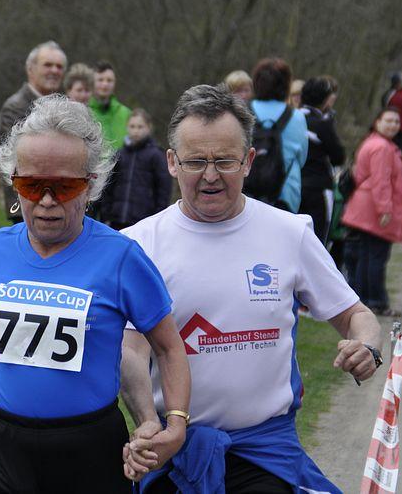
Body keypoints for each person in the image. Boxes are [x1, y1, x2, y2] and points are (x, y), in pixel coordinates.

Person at [119, 84, 383, 493]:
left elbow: (356, 315)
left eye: (225, 161)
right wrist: (149, 424)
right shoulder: (138, 244)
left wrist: (366, 346)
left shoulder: (289, 232)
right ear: (172, 162)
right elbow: (131, 351)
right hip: (176, 452)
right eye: (196, 162)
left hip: (265, 453)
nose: (210, 176)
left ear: (248, 161)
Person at [0, 95, 191, 493]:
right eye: (32, 185)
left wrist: (176, 424)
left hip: (88, 451)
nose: (46, 200)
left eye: (64, 187)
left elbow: (168, 347)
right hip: (1, 446)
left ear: (91, 186)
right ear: (13, 181)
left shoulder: (122, 258)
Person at [342, 107, 402, 317]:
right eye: (388, 120)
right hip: (372, 210)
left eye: (396, 121)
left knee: (365, 256)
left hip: (362, 208)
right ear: (377, 122)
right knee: (375, 257)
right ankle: (375, 302)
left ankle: (364, 300)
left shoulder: (373, 142)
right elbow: (381, 181)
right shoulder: (382, 148)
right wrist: (384, 209)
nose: (393, 125)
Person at [0, 41, 67, 223]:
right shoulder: (15, 108)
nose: (54, 70)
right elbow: (12, 161)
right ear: (30, 69)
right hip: (28, 203)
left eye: (59, 66)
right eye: (48, 65)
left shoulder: (66, 107)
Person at [249, 57, 309, 212]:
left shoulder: (242, 111)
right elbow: (302, 159)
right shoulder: (297, 117)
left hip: (246, 191)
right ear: (287, 85)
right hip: (285, 194)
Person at [102, 109, 172, 230]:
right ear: (127, 127)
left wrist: (157, 219)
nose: (135, 131)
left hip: (143, 222)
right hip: (116, 220)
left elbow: (163, 190)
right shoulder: (119, 154)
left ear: (149, 128)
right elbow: (108, 187)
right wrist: (106, 214)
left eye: (140, 127)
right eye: (132, 126)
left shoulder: (156, 155)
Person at [300, 77, 345, 242]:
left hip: (292, 186)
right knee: (318, 239)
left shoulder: (290, 118)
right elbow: (339, 157)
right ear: (326, 100)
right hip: (318, 188)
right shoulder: (322, 123)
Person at [89, 61, 132, 150]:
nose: (105, 84)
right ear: (92, 82)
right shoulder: (85, 111)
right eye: (100, 80)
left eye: (109, 80)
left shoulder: (127, 113)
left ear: (114, 83)